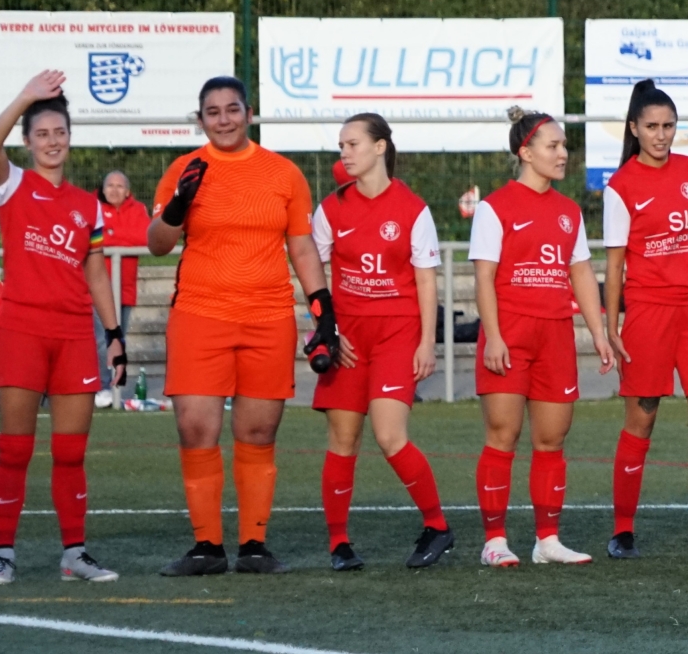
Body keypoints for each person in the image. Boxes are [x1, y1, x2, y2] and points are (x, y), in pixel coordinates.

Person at [148, 76, 340, 576]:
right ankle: (207, 547)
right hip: (199, 315)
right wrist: (178, 204)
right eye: (212, 112)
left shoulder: (283, 173)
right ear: (200, 120)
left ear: (249, 114)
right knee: (196, 429)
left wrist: (323, 310)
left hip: (267, 318)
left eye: (232, 109)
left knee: (257, 430)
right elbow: (158, 244)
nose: (224, 119)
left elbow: (302, 247)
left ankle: (254, 545)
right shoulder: (183, 169)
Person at [0, 71, 126, 584]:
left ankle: (74, 555)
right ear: (28, 141)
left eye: (60, 132)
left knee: (71, 451)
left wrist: (115, 335)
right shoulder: (12, 184)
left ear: (70, 138)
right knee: (15, 448)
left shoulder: (88, 204)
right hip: (21, 330)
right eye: (42, 134)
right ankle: (3, 553)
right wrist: (27, 96)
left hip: (74, 335)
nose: (52, 141)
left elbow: (96, 273)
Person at [602, 79, 688, 558]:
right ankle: (623, 531)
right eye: (652, 127)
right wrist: (612, 325)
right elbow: (615, 265)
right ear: (634, 129)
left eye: (668, 126)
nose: (661, 135)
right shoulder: (620, 186)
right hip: (648, 314)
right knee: (641, 419)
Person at [471, 108, 614, 566]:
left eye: (564, 145)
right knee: (503, 434)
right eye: (553, 146)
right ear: (526, 152)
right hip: (510, 334)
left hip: (555, 336)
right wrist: (494, 337)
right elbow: (484, 277)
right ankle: (494, 541)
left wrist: (599, 332)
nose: (562, 153)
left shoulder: (569, 211)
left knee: (552, 440)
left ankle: (547, 541)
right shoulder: (495, 207)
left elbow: (581, 274)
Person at [311, 116, 456, 571]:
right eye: (341, 145)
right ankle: (339, 544)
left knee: (390, 435)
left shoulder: (412, 208)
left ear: (380, 147)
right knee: (343, 438)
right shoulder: (330, 208)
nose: (344, 152)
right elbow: (314, 277)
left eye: (353, 143)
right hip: (348, 337)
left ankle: (437, 525)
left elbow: (426, 281)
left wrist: (427, 342)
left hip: (397, 332)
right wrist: (328, 331)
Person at [93, 170, 147, 408]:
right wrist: (120, 236)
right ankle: (103, 387)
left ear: (127, 191)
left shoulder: (138, 209)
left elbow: (144, 237)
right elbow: (91, 238)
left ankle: (115, 388)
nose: (114, 190)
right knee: (101, 340)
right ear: (103, 188)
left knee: (119, 340)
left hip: (124, 289)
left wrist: (111, 234)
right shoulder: (92, 206)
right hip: (97, 289)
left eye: (119, 186)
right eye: (110, 185)